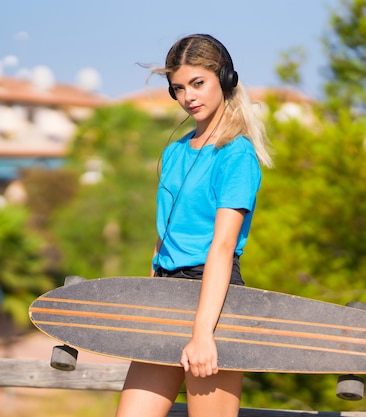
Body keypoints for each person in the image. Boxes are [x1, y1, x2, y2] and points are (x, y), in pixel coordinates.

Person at [115, 34, 274, 417]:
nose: (189, 97)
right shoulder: (174, 152)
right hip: (167, 295)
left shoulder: (237, 156)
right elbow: (162, 238)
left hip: (213, 300)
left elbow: (221, 246)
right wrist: (151, 300)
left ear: (225, 78)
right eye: (178, 89)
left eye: (198, 83)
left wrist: (203, 334)